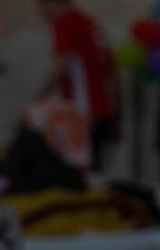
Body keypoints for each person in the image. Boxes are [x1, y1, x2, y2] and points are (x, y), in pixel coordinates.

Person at [37, 0, 120, 171]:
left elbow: (61, 67)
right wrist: (116, 114)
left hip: (81, 112)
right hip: (102, 112)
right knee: (96, 173)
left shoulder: (66, 22)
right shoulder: (92, 25)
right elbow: (113, 75)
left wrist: (37, 98)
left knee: (78, 175)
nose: (41, 14)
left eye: (41, 6)